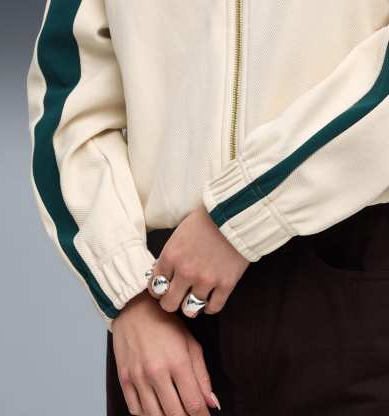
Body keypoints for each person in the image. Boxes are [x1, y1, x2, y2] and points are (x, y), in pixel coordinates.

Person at [26, 1, 389, 415]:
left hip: (356, 274)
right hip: (164, 300)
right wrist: (129, 296)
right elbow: (66, 99)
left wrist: (241, 217)